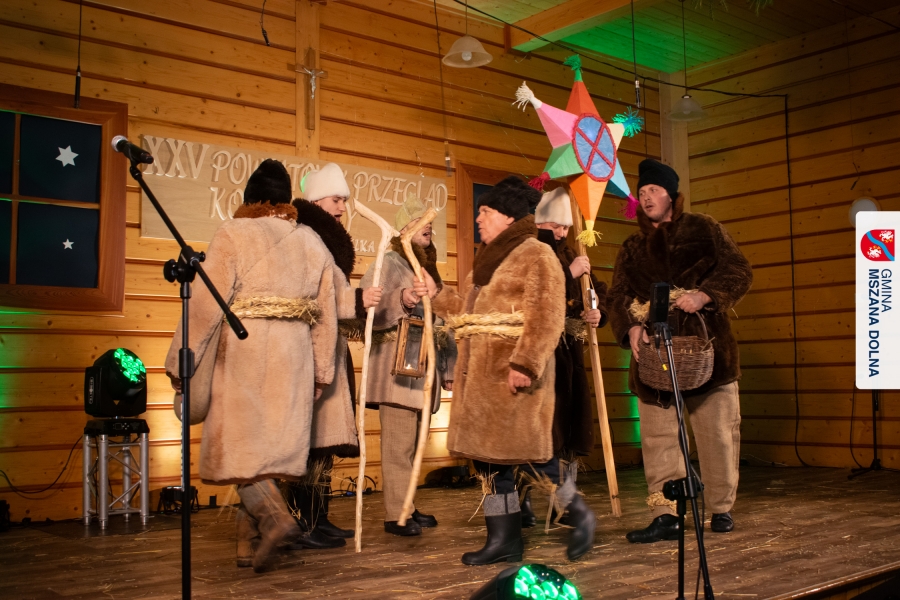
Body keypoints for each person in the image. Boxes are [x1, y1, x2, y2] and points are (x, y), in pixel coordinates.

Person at [164, 159, 338, 572]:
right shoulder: (311, 242)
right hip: (294, 356)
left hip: (246, 352)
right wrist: (321, 371)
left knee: (240, 451)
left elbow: (205, 303)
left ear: (250, 200)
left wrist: (180, 360)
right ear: (286, 202)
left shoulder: (234, 233)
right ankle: (247, 543)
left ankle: (275, 519)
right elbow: (326, 313)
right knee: (267, 454)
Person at [414, 175, 566, 565]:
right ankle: (504, 538)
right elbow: (466, 313)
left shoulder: (537, 254)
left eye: (485, 212)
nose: (478, 219)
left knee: (515, 461)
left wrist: (525, 363)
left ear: (507, 215)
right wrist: (437, 293)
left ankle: (562, 516)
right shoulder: (487, 262)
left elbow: (547, 316)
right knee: (489, 465)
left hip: (508, 376)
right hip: (482, 382)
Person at [607, 159, 752, 543]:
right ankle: (665, 513)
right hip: (654, 355)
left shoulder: (704, 228)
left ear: (671, 194)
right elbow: (617, 296)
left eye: (653, 190)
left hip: (708, 350)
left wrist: (705, 295)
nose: (646, 197)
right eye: (641, 192)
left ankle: (720, 507)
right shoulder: (632, 247)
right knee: (657, 438)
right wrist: (630, 327)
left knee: (717, 434)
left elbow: (738, 270)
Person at [284, 162, 383, 549]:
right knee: (309, 440)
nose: (342, 207)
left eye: (343, 200)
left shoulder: (323, 238)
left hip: (330, 347)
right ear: (315, 201)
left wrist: (357, 300)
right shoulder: (306, 237)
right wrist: (357, 299)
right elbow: (320, 295)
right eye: (336, 200)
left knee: (322, 441)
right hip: (310, 350)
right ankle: (303, 522)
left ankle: (319, 517)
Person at [514, 186, 606, 560]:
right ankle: (522, 499)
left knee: (567, 428)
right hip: (542, 352)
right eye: (556, 225)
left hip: (569, 352)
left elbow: (595, 292)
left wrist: (596, 310)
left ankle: (564, 503)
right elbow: (535, 293)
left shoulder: (571, 252)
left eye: (566, 226)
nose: (562, 232)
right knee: (538, 429)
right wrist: (569, 273)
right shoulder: (532, 251)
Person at [359, 194, 457, 537]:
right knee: (398, 445)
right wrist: (402, 297)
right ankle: (396, 514)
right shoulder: (388, 262)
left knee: (413, 446)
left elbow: (443, 322)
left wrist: (449, 370)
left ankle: (407, 506)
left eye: (429, 223)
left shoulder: (429, 270)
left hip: (424, 371)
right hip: (397, 371)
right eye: (419, 222)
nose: (429, 227)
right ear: (403, 231)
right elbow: (367, 301)